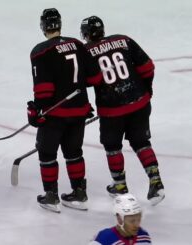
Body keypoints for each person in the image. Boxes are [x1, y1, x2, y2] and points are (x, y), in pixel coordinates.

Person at [80, 16, 165, 205]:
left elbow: (88, 81)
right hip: (139, 102)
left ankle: (119, 185)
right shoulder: (123, 39)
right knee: (141, 142)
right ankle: (156, 181)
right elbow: (147, 67)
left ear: (86, 35)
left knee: (112, 146)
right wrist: (146, 89)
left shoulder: (86, 52)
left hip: (112, 110)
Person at [27, 8, 102, 213]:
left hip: (55, 114)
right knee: (74, 152)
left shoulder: (40, 51)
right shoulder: (78, 44)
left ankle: (51, 196)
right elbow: (95, 78)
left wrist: (36, 112)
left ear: (43, 26)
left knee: (47, 152)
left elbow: (43, 89)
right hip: (79, 110)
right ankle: (79, 193)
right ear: (59, 25)